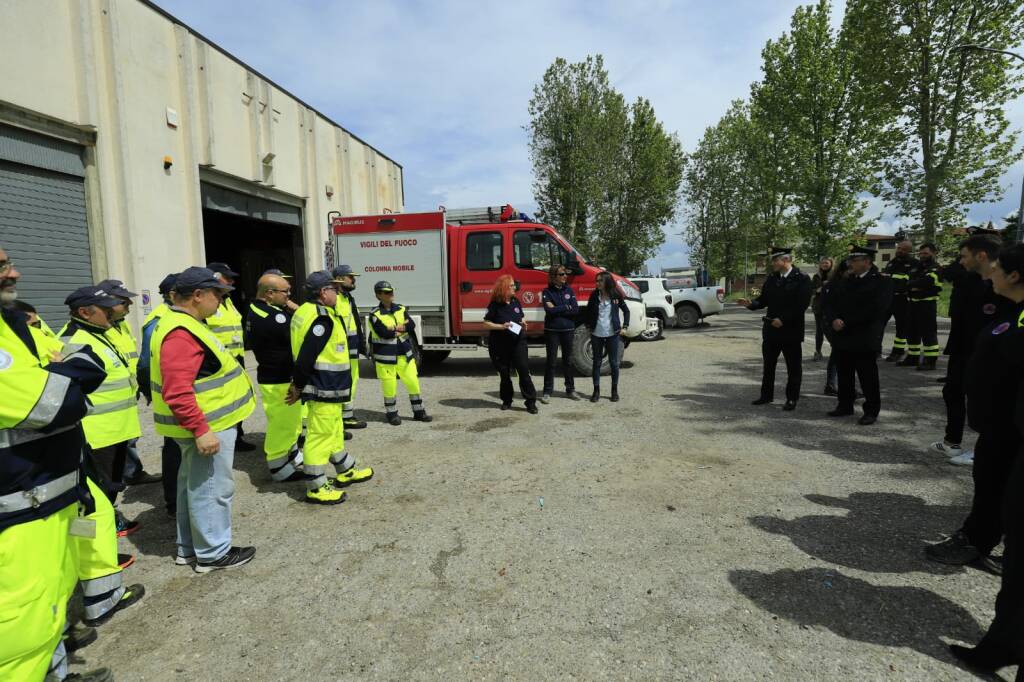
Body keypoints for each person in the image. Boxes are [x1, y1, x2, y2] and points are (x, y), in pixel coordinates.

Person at [0, 246, 117, 681]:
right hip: (16, 510)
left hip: (43, 497)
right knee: (18, 631)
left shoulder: (13, 324)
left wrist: (64, 370)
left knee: (46, 610)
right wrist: (65, 375)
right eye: (1, 266)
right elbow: (59, 401)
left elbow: (86, 362)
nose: (16, 272)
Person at [947, 243, 1024, 676]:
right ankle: (1004, 641)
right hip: (1002, 432)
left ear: (1013, 275)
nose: (991, 272)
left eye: (998, 267)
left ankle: (1006, 642)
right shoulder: (1009, 308)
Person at [150, 267, 257, 572]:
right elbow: (177, 390)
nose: (221, 302)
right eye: (218, 295)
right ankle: (212, 553)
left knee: (193, 487)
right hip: (207, 426)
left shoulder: (180, 323)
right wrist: (201, 430)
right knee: (212, 489)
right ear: (197, 295)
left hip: (203, 424)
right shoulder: (181, 332)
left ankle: (189, 549)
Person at [925, 237, 1017, 566]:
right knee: (991, 479)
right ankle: (980, 539)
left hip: (1010, 419)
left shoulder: (1016, 315)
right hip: (997, 418)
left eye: (1000, 272)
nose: (993, 277)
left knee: (998, 481)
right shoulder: (998, 300)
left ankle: (980, 541)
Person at [60, 287, 143, 539]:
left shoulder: (98, 332)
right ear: (84, 312)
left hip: (115, 428)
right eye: (105, 308)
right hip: (96, 434)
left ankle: (104, 534)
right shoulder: (73, 340)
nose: (112, 311)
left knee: (110, 488)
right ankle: (90, 546)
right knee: (93, 494)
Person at [288, 271, 374, 504]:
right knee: (320, 434)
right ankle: (316, 486)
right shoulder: (321, 317)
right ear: (322, 292)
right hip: (323, 385)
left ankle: (345, 468)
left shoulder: (304, 312)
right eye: (333, 290)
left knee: (334, 429)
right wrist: (297, 385)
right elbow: (307, 355)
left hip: (329, 386)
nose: (337, 293)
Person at [930, 233, 1005, 466]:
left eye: (963, 256)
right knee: (953, 391)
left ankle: (984, 448)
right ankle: (952, 441)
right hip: (962, 347)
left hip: (990, 353)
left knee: (986, 401)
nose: (960, 261)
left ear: (981, 256)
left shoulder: (1005, 284)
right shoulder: (970, 280)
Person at [97, 279, 161, 487]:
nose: (129, 306)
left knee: (129, 436)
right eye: (124, 302)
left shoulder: (120, 325)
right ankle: (119, 478)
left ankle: (131, 472)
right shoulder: (97, 329)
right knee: (114, 443)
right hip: (107, 400)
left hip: (126, 391)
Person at [736, 247, 812, 411]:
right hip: (771, 330)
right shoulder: (772, 279)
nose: (772, 264)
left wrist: (783, 319)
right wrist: (751, 304)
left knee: (793, 367)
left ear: (785, 260)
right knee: (768, 365)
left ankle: (791, 398)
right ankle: (766, 395)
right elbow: (763, 300)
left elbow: (802, 305)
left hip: (790, 331)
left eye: (775, 260)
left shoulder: (802, 279)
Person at [247, 272, 305, 482]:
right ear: (269, 294)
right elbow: (300, 333)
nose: (288, 296)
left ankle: (290, 454)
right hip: (280, 378)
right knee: (282, 424)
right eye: (285, 292)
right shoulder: (274, 317)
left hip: (273, 375)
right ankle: (279, 467)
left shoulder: (258, 309)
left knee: (288, 421)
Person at [822, 245, 886, 425]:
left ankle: (871, 410)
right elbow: (832, 302)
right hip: (843, 335)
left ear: (867, 262)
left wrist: (846, 322)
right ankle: (845, 404)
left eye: (854, 260)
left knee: (868, 376)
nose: (850, 264)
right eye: (850, 260)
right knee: (844, 373)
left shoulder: (880, 281)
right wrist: (834, 318)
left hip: (864, 336)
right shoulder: (848, 281)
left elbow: (877, 310)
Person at [138, 273, 182, 517]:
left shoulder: (179, 317)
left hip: (185, 395)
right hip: (172, 397)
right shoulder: (158, 321)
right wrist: (150, 392)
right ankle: (175, 503)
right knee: (175, 449)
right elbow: (145, 364)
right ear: (173, 295)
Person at [205, 262, 255, 451]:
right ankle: (221, 437)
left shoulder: (227, 301)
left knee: (236, 398)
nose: (232, 281)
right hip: (218, 361)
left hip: (236, 358)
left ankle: (236, 437)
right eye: (228, 277)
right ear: (216, 277)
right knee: (221, 400)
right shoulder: (208, 304)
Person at [368, 281, 431, 425]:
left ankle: (419, 412)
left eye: (391, 291)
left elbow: (412, 325)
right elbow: (383, 333)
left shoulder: (401, 309)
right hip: (385, 357)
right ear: (378, 295)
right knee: (389, 387)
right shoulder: (375, 314)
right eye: (386, 292)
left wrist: (395, 329)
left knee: (413, 382)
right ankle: (391, 414)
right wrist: (401, 328)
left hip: (404, 353)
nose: (391, 294)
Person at [483, 274, 538, 413]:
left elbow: (521, 316)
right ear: (504, 287)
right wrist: (502, 326)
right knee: (504, 374)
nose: (515, 287)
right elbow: (486, 323)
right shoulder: (495, 304)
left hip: (518, 342)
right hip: (500, 345)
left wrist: (523, 321)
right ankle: (507, 400)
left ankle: (530, 402)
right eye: (512, 285)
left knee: (524, 371)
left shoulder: (515, 301)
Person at [584, 271, 630, 403]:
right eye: (596, 281)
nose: (597, 283)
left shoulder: (616, 294)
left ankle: (614, 391)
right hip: (596, 335)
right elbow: (588, 311)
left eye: (600, 281)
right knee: (596, 363)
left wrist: (625, 327)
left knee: (614, 363)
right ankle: (596, 390)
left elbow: (626, 310)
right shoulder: (594, 295)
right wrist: (588, 325)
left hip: (613, 334)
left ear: (607, 282)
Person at [332, 264, 368, 431]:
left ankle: (347, 417)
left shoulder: (346, 298)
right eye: (350, 277)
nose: (353, 280)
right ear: (339, 279)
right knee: (341, 382)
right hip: (341, 349)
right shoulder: (334, 299)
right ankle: (339, 419)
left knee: (352, 381)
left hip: (352, 347)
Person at [899, 242, 943, 370]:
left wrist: (913, 284)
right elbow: (904, 282)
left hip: (927, 304)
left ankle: (930, 361)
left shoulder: (936, 267)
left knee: (928, 332)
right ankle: (913, 357)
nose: (923, 255)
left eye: (926, 253)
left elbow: (929, 281)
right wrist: (914, 285)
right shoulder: (916, 268)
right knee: (912, 331)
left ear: (934, 253)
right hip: (912, 303)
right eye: (921, 253)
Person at [541, 265, 580, 402]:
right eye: (562, 274)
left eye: (565, 273)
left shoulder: (569, 290)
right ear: (553, 277)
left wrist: (558, 308)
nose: (565, 276)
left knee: (568, 361)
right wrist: (566, 307)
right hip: (552, 331)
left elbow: (575, 310)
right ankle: (547, 391)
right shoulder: (547, 292)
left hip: (568, 330)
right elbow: (549, 311)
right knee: (551, 362)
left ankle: (570, 390)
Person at [881, 239, 917, 362]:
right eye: (899, 248)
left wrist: (896, 283)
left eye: (903, 249)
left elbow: (911, 281)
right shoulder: (891, 263)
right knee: (879, 324)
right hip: (888, 298)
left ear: (909, 251)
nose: (900, 251)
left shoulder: (913, 263)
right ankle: (875, 350)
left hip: (903, 299)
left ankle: (897, 352)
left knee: (901, 327)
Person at [810, 257, 833, 361]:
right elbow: (812, 290)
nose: (824, 264)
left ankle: (836, 349)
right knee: (820, 330)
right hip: (819, 306)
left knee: (831, 328)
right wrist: (818, 289)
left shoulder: (835, 275)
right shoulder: (816, 276)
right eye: (823, 263)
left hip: (831, 306)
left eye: (827, 263)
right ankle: (818, 352)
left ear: (831, 264)